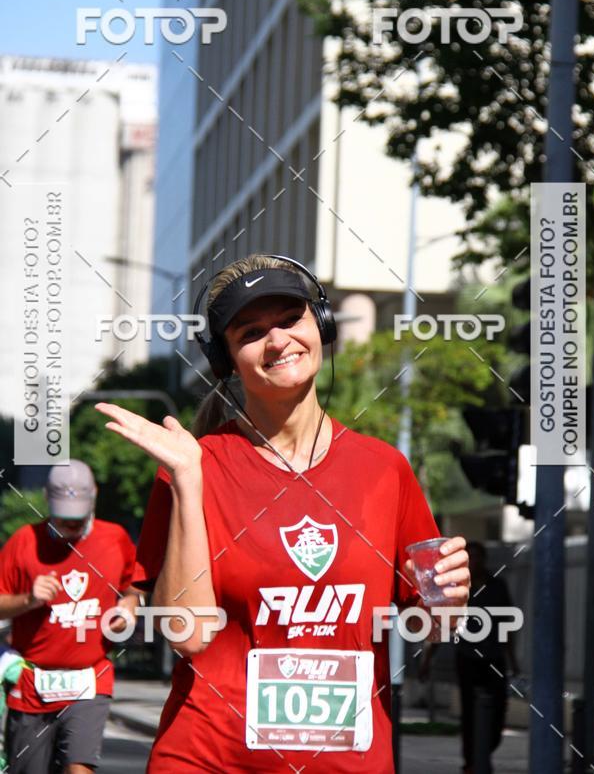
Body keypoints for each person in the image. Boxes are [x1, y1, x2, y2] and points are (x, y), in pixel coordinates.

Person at [96, 253, 471, 772]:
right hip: (210, 759)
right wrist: (186, 479)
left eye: (290, 320)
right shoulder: (191, 466)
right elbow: (188, 633)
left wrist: (449, 599)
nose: (277, 341)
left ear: (320, 324)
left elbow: (432, 626)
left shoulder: (385, 470)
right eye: (251, 331)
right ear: (226, 360)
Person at [0, 460, 140, 773]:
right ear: (48, 501)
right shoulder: (24, 542)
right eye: (65, 519)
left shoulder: (115, 538)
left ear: (94, 498)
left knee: (80, 768)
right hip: (32, 682)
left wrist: (130, 604)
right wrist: (28, 599)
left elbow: (134, 586)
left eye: (78, 518)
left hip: (90, 678)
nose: (72, 527)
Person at [419, 540, 520, 774]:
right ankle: (471, 763)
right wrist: (427, 659)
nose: (474, 562)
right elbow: (444, 625)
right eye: (470, 557)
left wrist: (513, 660)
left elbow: (509, 624)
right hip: (467, 658)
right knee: (470, 713)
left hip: (494, 658)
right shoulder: (457, 589)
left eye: (478, 557)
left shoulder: (498, 586)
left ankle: (485, 751)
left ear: (484, 560)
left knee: (497, 710)